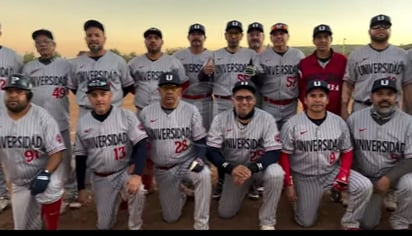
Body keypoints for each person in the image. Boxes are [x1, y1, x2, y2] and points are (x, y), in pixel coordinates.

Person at [279, 80, 373, 229]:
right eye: (313, 95)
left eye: (321, 95)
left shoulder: (338, 122)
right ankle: (299, 200)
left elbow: (347, 151)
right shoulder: (292, 124)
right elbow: (284, 156)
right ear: (305, 99)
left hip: (331, 171)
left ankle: (350, 222)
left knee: (364, 186)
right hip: (305, 176)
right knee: (306, 222)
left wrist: (343, 174)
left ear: (327, 99)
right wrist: (289, 184)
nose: (317, 99)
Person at [206, 80, 284, 230]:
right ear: (232, 100)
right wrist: (230, 168)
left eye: (248, 98)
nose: (244, 102)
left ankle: (267, 220)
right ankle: (247, 187)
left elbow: (274, 152)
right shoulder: (220, 119)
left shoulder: (266, 119)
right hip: (235, 171)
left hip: (259, 169)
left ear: (254, 100)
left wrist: (253, 168)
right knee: (225, 212)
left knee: (276, 173)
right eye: (239, 98)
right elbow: (211, 151)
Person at [139, 72, 211, 230]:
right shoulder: (146, 113)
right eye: (165, 88)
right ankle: (182, 193)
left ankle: (201, 223)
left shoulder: (191, 110)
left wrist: (199, 159)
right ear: (159, 91)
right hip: (163, 168)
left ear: (179, 91)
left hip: (187, 162)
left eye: (173, 88)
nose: (169, 92)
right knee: (171, 218)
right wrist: (142, 167)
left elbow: (200, 139)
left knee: (204, 174)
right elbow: (142, 144)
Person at [73, 77, 148, 230]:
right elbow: (80, 157)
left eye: (103, 93)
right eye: (94, 95)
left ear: (110, 95)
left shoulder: (126, 116)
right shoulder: (83, 122)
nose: (99, 98)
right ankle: (114, 203)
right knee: (104, 225)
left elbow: (141, 144)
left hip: (123, 171)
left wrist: (137, 174)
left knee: (138, 190)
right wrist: (81, 188)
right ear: (89, 98)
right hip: (101, 178)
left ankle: (135, 225)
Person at [200, 20, 262, 199]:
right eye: (230, 33)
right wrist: (205, 72)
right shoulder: (215, 54)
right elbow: (203, 79)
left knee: (248, 142)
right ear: (225, 35)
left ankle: (249, 180)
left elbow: (260, 80)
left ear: (241, 36)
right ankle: (221, 180)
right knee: (222, 143)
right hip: (221, 103)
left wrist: (255, 74)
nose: (233, 36)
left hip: (244, 103)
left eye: (237, 33)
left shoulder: (250, 54)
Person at [0, 74, 66, 229]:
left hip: (44, 173)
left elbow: (57, 152)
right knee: (22, 227)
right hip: (19, 183)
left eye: (19, 92)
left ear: (28, 95)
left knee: (53, 186)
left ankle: (51, 226)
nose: (13, 96)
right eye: (10, 92)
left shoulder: (43, 118)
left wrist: (45, 173)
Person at [128, 27, 188, 195]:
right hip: (142, 111)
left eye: (156, 38)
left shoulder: (172, 62)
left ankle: (177, 182)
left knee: (169, 146)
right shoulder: (134, 63)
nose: (152, 40)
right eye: (149, 38)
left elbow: (183, 84)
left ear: (162, 41)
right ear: (145, 41)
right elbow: (129, 85)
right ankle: (147, 184)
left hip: (166, 112)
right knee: (142, 146)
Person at [22, 29, 77, 213]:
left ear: (54, 44)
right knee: (41, 160)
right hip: (36, 124)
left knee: (66, 158)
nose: (42, 45)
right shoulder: (29, 67)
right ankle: (45, 191)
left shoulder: (65, 65)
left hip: (60, 120)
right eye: (38, 42)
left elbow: (76, 88)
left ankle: (70, 192)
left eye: (46, 41)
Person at [347, 78, 412, 230]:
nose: (385, 98)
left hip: (395, 176)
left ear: (396, 97)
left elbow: (410, 158)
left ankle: (400, 219)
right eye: (379, 94)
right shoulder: (355, 119)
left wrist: (388, 179)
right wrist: (361, 184)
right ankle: (373, 199)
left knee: (410, 184)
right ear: (371, 97)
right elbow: (348, 153)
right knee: (368, 224)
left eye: (389, 94)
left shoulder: (408, 122)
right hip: (368, 178)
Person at [341, 14, 412, 120]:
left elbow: (407, 86)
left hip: (392, 109)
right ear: (369, 31)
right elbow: (348, 84)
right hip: (362, 107)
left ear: (390, 30)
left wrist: (410, 112)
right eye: (376, 26)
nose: (381, 29)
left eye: (385, 26)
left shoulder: (402, 55)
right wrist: (344, 109)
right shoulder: (356, 55)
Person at [68, 19, 135, 119]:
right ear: (85, 39)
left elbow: (127, 86)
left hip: (113, 112)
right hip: (86, 113)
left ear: (104, 38)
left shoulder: (117, 60)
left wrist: (112, 99)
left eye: (97, 35)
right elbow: (75, 88)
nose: (93, 38)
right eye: (89, 35)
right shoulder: (76, 63)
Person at [258, 22, 304, 130]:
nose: (278, 36)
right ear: (271, 38)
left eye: (282, 33)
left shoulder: (298, 55)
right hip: (269, 104)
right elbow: (252, 77)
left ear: (288, 36)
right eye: (275, 34)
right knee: (269, 137)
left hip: (291, 105)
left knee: (290, 136)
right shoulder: (262, 56)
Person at [0, 22, 23, 213]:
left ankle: (21, 190)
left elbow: (21, 84)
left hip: (9, 112)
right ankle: (2, 194)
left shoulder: (13, 56)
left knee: (15, 153)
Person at [299, 24, 347, 116]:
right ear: (314, 41)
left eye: (326, 37)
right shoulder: (304, 63)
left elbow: (348, 87)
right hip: (311, 115)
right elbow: (301, 90)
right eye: (319, 37)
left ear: (331, 40)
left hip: (337, 115)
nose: (323, 40)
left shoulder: (342, 60)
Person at [173, 23, 213, 131]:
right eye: (193, 34)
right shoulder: (177, 56)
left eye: (199, 34)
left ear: (205, 38)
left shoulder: (212, 56)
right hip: (183, 100)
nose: (196, 37)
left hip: (204, 101)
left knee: (204, 133)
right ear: (188, 37)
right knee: (183, 133)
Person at [246, 22, 266, 200]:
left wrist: (257, 74)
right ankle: (247, 180)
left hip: (265, 106)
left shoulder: (270, 55)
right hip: (245, 109)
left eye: (257, 33)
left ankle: (259, 181)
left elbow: (262, 82)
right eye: (251, 34)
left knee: (262, 145)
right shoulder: (245, 55)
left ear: (263, 36)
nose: (254, 36)